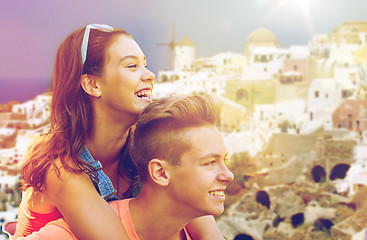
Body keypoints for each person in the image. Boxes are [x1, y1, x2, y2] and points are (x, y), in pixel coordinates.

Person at [8, 24, 224, 240]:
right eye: (132, 66)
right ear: (92, 84)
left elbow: (199, 218)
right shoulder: (60, 166)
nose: (149, 75)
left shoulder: (145, 146)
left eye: (145, 65)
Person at [16, 94, 235, 240]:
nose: (229, 175)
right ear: (160, 172)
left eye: (223, 160)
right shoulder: (71, 232)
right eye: (209, 163)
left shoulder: (192, 225)